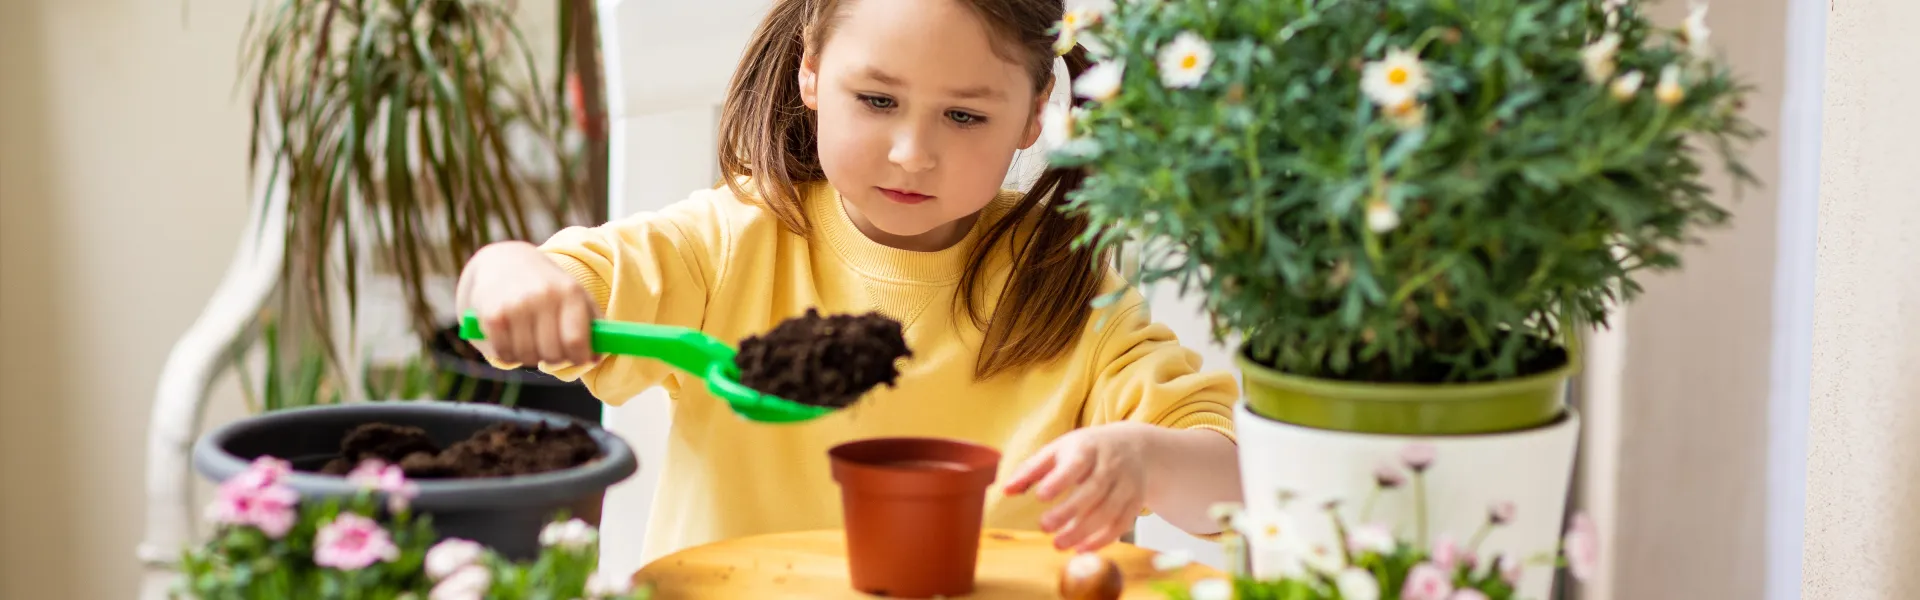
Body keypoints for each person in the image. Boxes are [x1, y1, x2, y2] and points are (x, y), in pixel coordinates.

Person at [456, 0, 1243, 563]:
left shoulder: (1067, 287)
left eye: (963, 117)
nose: (911, 152)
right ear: (810, 71)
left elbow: (1238, 480)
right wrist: (511, 275)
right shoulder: (731, 242)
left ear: (1036, 114)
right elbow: (555, 279)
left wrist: (1148, 461)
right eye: (876, 100)